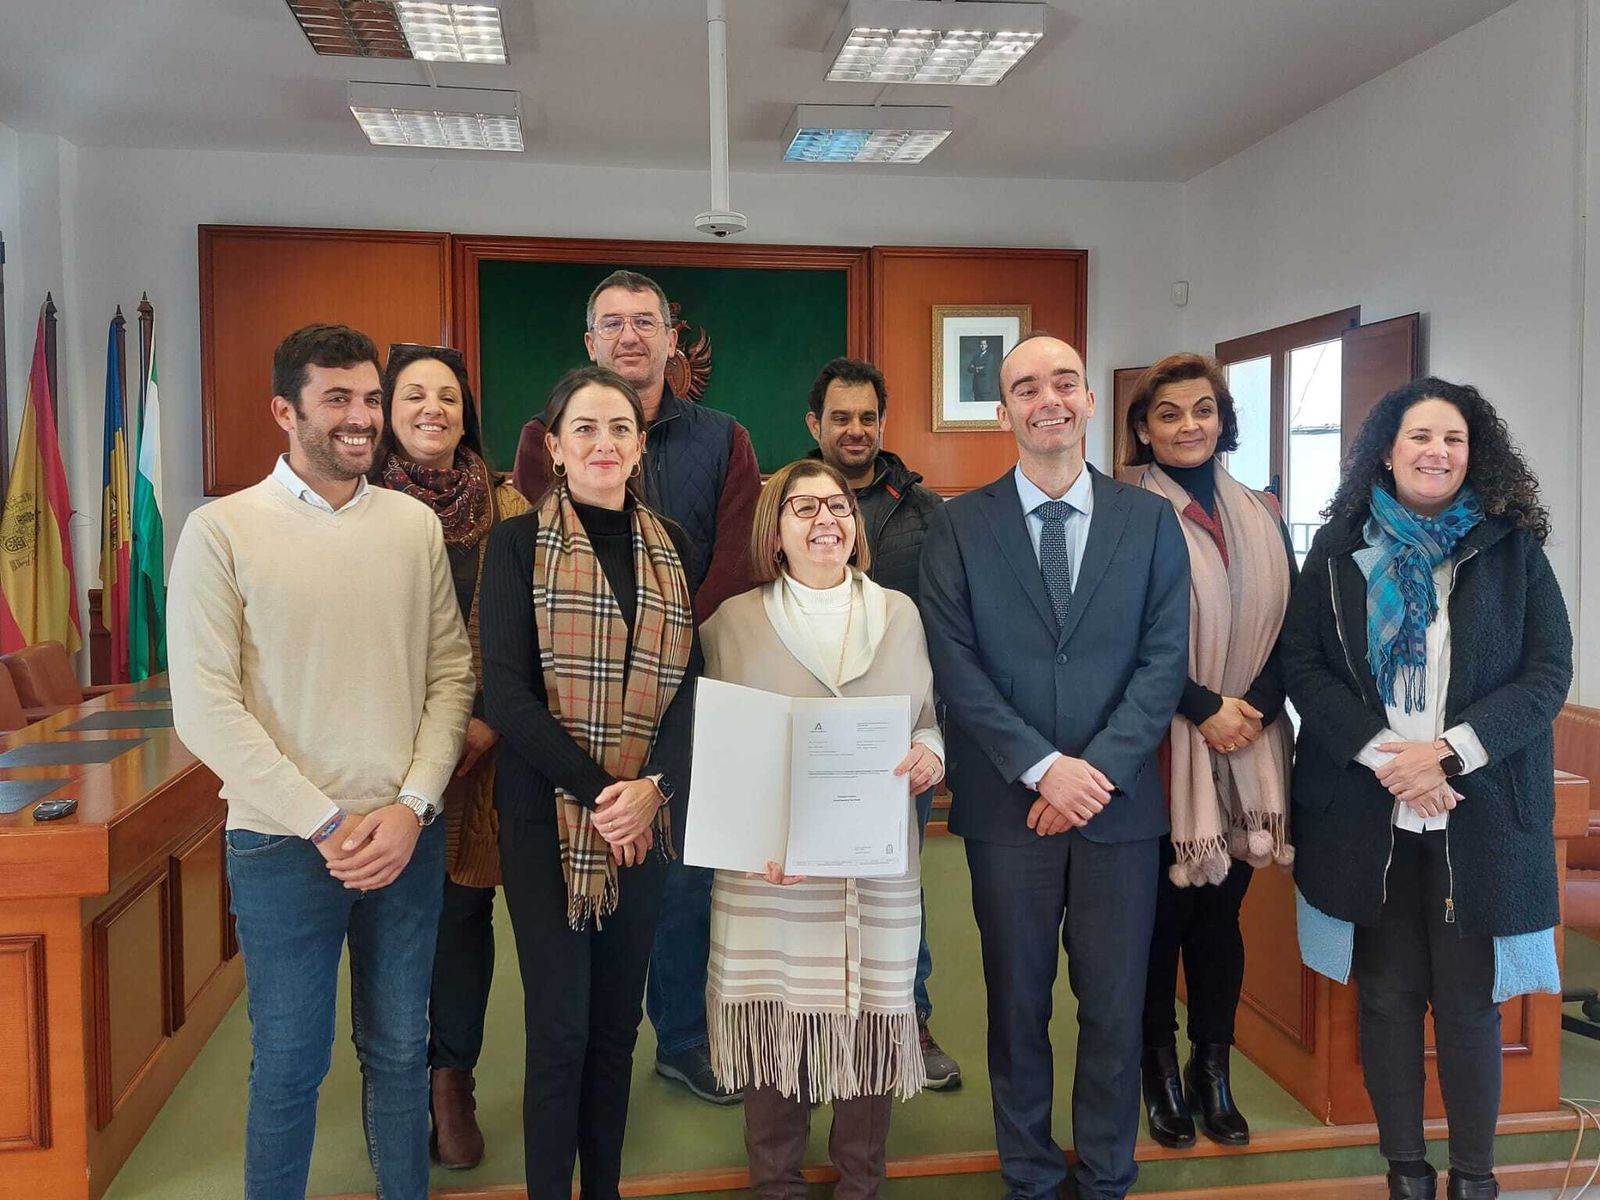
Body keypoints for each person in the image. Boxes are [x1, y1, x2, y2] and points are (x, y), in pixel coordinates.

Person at [167, 324, 476, 1200]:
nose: (362, 418)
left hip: (402, 839)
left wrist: (412, 806)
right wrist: (328, 822)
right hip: (283, 846)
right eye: (337, 398)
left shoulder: (412, 527)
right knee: (290, 1064)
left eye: (371, 399)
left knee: (400, 1051)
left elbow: (449, 675)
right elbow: (206, 708)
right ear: (284, 410)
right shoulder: (221, 530)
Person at [1281, 379, 1571, 1200]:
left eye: (1454, 439)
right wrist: (1388, 756)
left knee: (1470, 1006)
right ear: (1387, 449)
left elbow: (1548, 673)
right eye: (1420, 436)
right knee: (1385, 999)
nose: (1436, 451)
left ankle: (1477, 1179)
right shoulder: (1339, 547)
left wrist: (1445, 754)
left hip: (1477, 813)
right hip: (1369, 815)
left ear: (1474, 455)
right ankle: (1406, 1172)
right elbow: (1304, 665)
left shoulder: (1510, 549)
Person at [919, 333, 1190, 1200]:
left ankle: (1108, 1173)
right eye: (1027, 386)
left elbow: (1163, 661)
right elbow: (953, 663)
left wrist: (1090, 774)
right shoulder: (956, 524)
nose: (1050, 398)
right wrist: (1042, 769)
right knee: (1018, 1006)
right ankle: (1031, 1173)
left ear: (1088, 401)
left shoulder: (1150, 523)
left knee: (1114, 1008)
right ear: (1003, 413)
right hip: (1009, 813)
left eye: (1065, 381)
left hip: (1120, 811)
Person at [513, 269, 758, 1103]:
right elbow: (544, 561)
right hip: (570, 713)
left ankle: (681, 1037)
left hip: (685, 694)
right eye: (611, 322)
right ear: (590, 342)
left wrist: (663, 650)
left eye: (646, 322)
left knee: (683, 872)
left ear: (671, 339)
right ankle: (582, 1041)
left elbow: (734, 559)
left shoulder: (725, 438)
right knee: (576, 885)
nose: (630, 335)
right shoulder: (543, 435)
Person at [483, 365, 700, 1199]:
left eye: (619, 427)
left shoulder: (673, 543)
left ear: (640, 446)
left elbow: (691, 686)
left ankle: (602, 1188)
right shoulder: (516, 544)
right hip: (547, 818)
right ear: (553, 447)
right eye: (585, 428)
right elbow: (505, 693)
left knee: (617, 1030)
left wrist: (653, 788)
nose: (603, 442)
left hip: (646, 820)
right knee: (562, 1033)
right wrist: (609, 793)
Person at [702, 458, 943, 1200]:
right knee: (778, 1020)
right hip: (772, 872)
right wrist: (749, 841)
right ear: (775, 533)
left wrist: (930, 754)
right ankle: (775, 1180)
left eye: (836, 505)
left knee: (870, 1020)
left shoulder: (901, 613)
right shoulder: (730, 624)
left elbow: (928, 720)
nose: (825, 521)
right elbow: (714, 751)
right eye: (803, 508)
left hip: (874, 865)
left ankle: (859, 1180)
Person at [1122, 353, 1297, 1150]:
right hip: (1162, 748)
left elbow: (1299, 632)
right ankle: (1157, 1069)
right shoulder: (1124, 513)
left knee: (1221, 920)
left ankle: (1210, 1068)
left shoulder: (1263, 510)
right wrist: (1201, 708)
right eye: (1169, 413)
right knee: (1162, 919)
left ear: (1224, 420)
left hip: (1250, 746)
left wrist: (1251, 709)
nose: (1188, 425)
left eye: (1203, 410)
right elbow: (1116, 639)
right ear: (1142, 429)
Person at [370, 342, 529, 1169]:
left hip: (480, 756)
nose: (433, 408)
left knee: (464, 918)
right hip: (378, 756)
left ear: (467, 412)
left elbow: (530, 629)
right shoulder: (354, 503)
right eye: (414, 394)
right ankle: (394, 1086)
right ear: (386, 411)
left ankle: (449, 1083)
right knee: (394, 922)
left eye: (448, 396)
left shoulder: (507, 506)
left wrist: (485, 723)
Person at [803, 356, 960, 1090]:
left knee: (896, 882)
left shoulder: (928, 512)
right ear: (816, 426)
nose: (855, 430)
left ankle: (907, 1019)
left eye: (867, 416)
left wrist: (941, 733)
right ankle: (814, 1023)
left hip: (898, 734)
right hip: (808, 729)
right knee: (807, 884)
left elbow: (952, 629)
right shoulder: (788, 500)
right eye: (841, 417)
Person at [968, 338, 999, 405]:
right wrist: (979, 368)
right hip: (976, 387)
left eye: (984, 344)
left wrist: (975, 367)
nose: (982, 346)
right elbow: (969, 369)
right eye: (981, 344)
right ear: (979, 345)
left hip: (985, 387)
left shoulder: (990, 356)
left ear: (987, 345)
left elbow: (985, 370)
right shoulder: (976, 356)